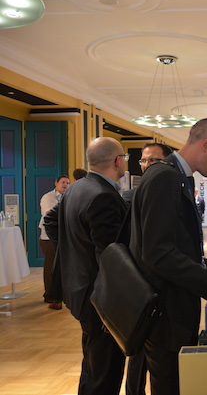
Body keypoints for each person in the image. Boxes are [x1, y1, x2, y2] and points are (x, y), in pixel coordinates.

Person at [128, 118, 207, 394]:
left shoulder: (175, 176)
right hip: (165, 313)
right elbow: (158, 254)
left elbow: (176, 242)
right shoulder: (165, 177)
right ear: (206, 144)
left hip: (172, 309)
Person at [52, 137, 129, 395]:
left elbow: (52, 223)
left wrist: (72, 252)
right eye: (125, 157)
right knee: (105, 373)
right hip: (100, 297)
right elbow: (111, 256)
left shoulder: (76, 188)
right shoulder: (102, 195)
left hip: (80, 289)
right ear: (117, 161)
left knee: (93, 366)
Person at [122, 142, 172, 395]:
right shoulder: (129, 197)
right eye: (143, 160)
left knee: (149, 351)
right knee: (138, 349)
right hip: (137, 286)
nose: (146, 165)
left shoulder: (165, 192)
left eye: (153, 160)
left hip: (157, 287)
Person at [39, 175, 70, 310]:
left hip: (62, 236)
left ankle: (59, 295)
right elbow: (49, 213)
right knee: (51, 266)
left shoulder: (67, 196)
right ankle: (50, 295)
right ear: (56, 183)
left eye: (68, 183)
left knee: (59, 267)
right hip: (48, 237)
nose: (65, 185)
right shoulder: (48, 197)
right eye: (63, 182)